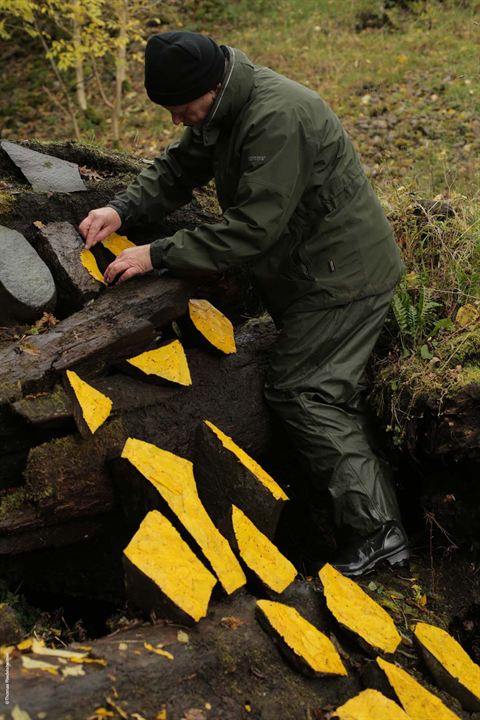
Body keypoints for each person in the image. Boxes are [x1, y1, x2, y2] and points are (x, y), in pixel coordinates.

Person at [79, 30, 409, 576]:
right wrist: (121, 210)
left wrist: (156, 254)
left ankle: (378, 531)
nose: (178, 119)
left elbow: (251, 229)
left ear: (210, 87)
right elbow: (178, 169)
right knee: (319, 388)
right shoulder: (223, 107)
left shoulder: (278, 118)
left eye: (183, 109)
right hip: (309, 273)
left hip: (342, 278)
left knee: (305, 392)